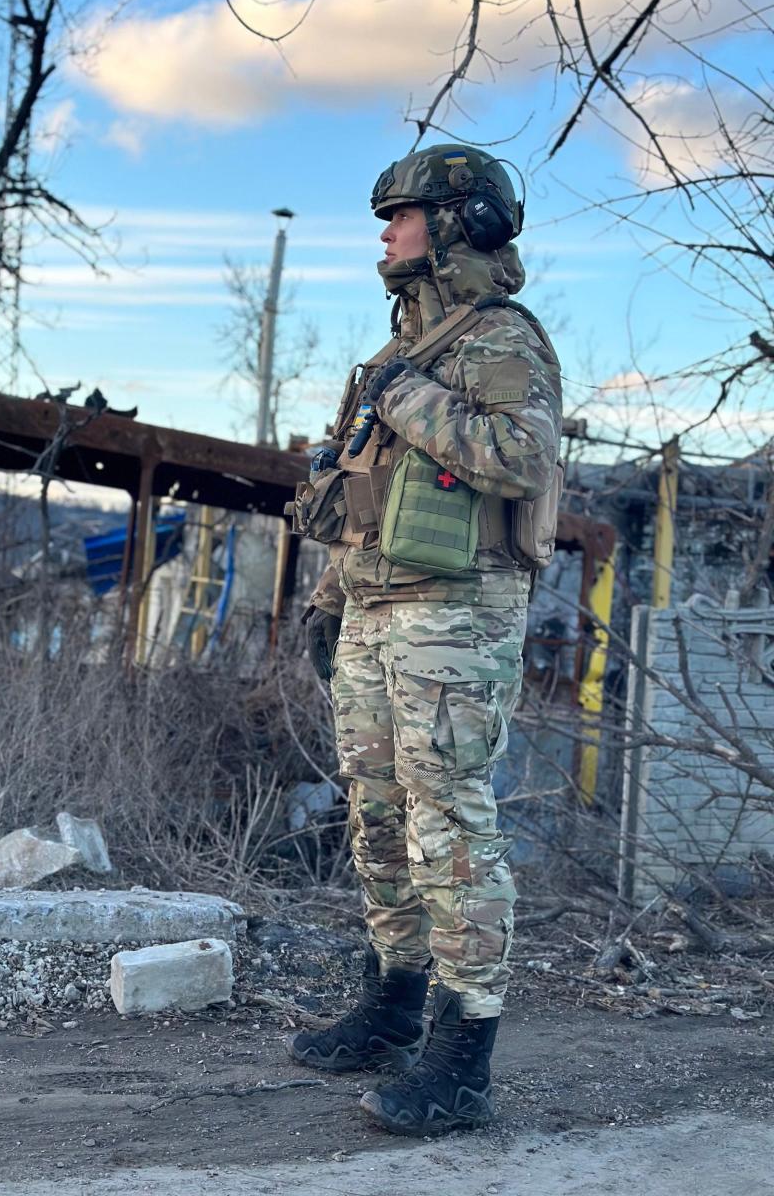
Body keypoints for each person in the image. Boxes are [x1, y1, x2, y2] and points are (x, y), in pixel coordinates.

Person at [284, 143, 563, 1136]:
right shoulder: (399, 346)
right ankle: (395, 999)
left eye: (401, 213)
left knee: (446, 815)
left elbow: (521, 455)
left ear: (458, 224)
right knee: (375, 809)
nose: (386, 230)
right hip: (372, 599)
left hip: (459, 605)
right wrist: (326, 597)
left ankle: (463, 1046)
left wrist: (407, 394)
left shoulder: (499, 337)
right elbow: (360, 495)